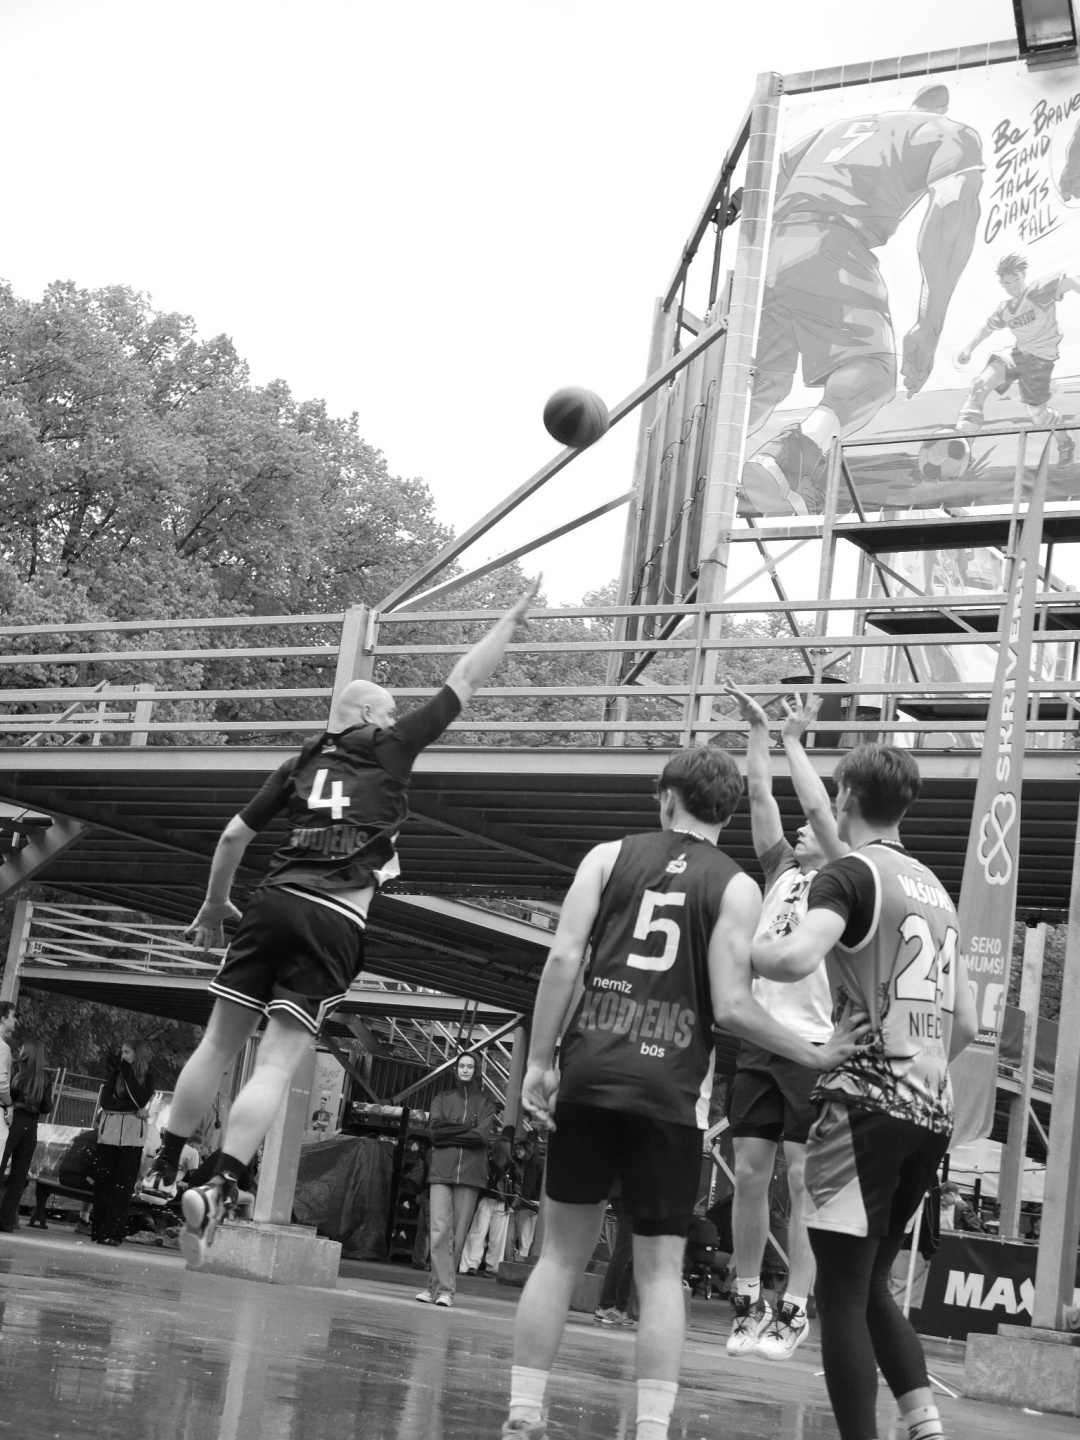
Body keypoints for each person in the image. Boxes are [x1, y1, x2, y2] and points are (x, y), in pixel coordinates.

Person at [143, 579, 539, 1268]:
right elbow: (465, 679)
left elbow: (234, 836)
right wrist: (510, 619)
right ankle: (222, 1181)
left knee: (217, 1042)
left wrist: (213, 904)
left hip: (271, 901)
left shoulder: (300, 760)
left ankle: (164, 1162)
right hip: (332, 920)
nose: (394, 719)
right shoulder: (392, 747)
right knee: (277, 1061)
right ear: (365, 714)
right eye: (387, 711)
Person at [500, 746, 866, 1440]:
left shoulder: (606, 857)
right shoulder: (737, 887)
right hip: (671, 1090)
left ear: (667, 797)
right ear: (727, 813)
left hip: (590, 1072)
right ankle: (650, 1426)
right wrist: (815, 1052)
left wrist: (540, 1061)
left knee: (560, 1255)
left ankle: (523, 1410)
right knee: (661, 1272)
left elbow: (563, 958)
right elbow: (733, 1007)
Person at [752, 744, 978, 1440]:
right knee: (873, 1283)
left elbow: (794, 957)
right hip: (930, 1109)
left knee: (840, 1294)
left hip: (864, 1107)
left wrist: (731, 945)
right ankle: (924, 1424)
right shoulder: (935, 890)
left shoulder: (851, 874)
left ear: (846, 796)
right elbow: (968, 1022)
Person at [742, 85, 982, 515]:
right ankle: (789, 457)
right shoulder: (946, 130)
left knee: (765, 380)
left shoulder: (835, 129)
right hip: (830, 244)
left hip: (768, 253)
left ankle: (705, 469)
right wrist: (929, 323)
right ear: (942, 107)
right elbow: (952, 213)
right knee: (874, 371)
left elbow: (760, 190)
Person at [722, 683, 848, 1361]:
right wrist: (760, 733)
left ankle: (795, 1305)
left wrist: (799, 742)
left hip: (814, 1044)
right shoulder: (780, 872)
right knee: (749, 1170)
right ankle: (747, 1298)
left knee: (803, 1177)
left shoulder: (846, 879)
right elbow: (760, 797)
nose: (797, 831)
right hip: (759, 1039)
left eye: (809, 829)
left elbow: (817, 810)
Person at [955, 253, 1078, 465]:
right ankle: (961, 448)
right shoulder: (1005, 309)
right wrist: (968, 348)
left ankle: (1065, 442)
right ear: (1002, 284)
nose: (1012, 287)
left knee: (1039, 416)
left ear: (1023, 276)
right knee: (979, 385)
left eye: (1016, 280)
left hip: (1039, 361)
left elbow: (1072, 281)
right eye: (1007, 283)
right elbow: (987, 328)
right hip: (1018, 355)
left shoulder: (1038, 291)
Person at [417, 1052, 497, 1304]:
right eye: (461, 1065)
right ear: (456, 1069)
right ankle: (443, 1291)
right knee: (439, 1231)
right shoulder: (441, 1099)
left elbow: (481, 1137)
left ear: (476, 1070)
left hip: (470, 1175)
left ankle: (437, 1290)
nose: (465, 1070)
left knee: (457, 1236)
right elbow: (435, 1134)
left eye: (469, 1066)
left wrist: (450, 1131)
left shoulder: (486, 1102)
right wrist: (467, 1130)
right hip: (442, 1171)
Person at [92, 1040, 155, 1245]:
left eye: (127, 1052)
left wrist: (128, 1072)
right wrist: (132, 1109)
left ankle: (113, 1232)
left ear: (138, 1053)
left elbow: (140, 1099)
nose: (123, 1056)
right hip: (109, 1136)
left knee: (123, 1187)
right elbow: (106, 1102)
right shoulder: (115, 1073)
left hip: (131, 1140)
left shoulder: (148, 1077)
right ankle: (98, 1229)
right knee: (104, 1184)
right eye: (122, 1052)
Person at [0, 1040, 53, 1232]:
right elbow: (47, 1106)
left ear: (26, 1051)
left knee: (1, 1163)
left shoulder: (16, 1068)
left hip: (12, 1119)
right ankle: (7, 1221)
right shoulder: (45, 1077)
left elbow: (6, 1090)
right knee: (19, 1175)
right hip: (31, 1126)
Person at [0, 1002, 15, 1166]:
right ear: (3, 1019)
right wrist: (9, 1104)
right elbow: (0, 1082)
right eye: (13, 1016)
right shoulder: (3, 1048)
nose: (15, 1020)